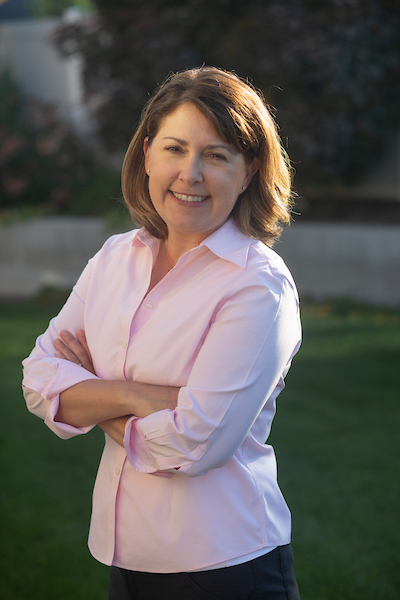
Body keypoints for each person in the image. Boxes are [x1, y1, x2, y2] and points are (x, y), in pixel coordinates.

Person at [22, 66, 302, 599]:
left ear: (248, 171)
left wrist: (87, 395)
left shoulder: (257, 287)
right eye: (174, 148)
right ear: (147, 153)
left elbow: (194, 445)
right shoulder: (113, 259)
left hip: (226, 566)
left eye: (216, 155)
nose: (189, 174)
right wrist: (136, 396)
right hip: (126, 557)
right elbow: (38, 377)